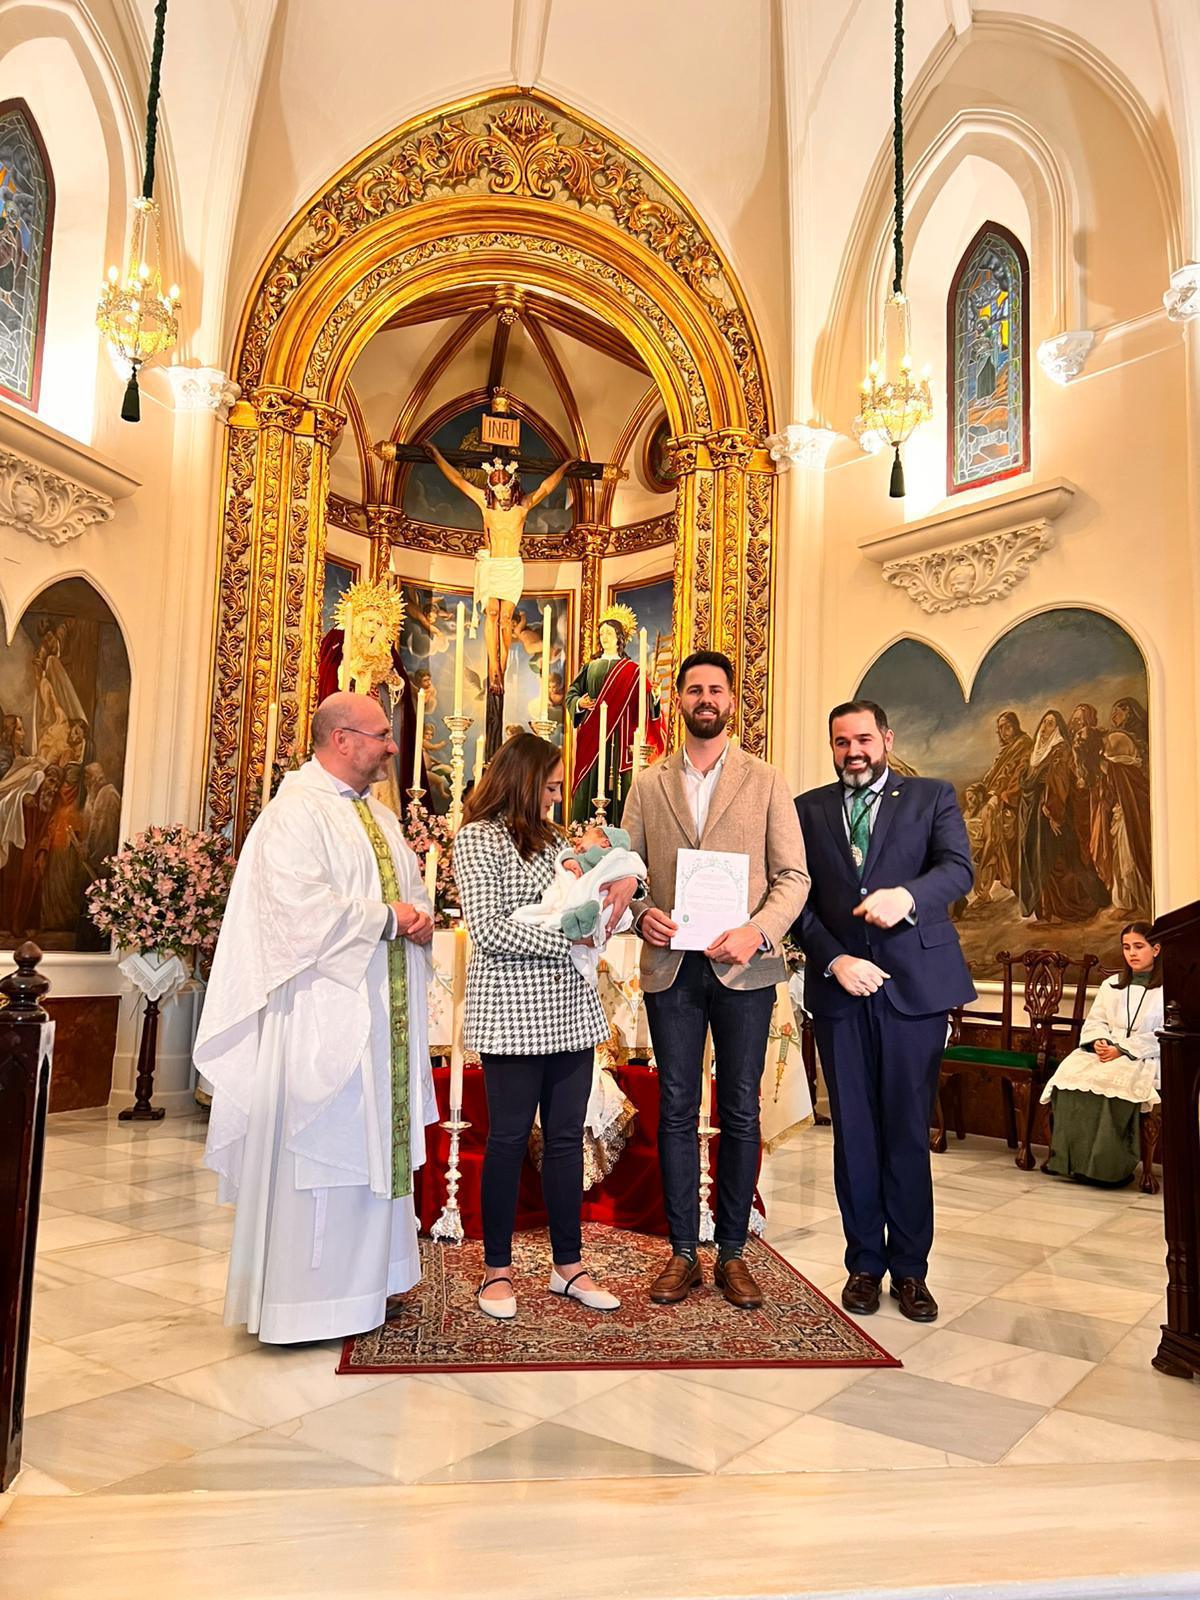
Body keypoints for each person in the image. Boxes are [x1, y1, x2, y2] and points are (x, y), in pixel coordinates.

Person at [196, 691, 437, 1344]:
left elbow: (412, 896)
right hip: (320, 1018)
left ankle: (370, 1287)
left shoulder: (377, 817)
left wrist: (419, 918)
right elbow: (295, 909)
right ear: (341, 739)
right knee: (326, 1150)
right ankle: (311, 1304)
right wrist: (389, 918)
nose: (392, 746)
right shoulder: (295, 813)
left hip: (380, 1018)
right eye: (382, 735)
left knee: (373, 1149)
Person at [623, 651, 810, 1310]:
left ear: (732, 701)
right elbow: (627, 871)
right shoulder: (648, 783)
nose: (705, 698)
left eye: (716, 689)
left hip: (744, 967)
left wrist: (757, 931)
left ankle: (732, 1252)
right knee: (676, 1107)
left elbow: (794, 876)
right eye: (694, 689)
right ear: (677, 700)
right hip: (672, 966)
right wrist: (641, 912)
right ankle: (682, 1252)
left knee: (739, 1109)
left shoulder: (766, 780)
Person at [792, 700, 975, 1323]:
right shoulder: (808, 810)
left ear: (887, 739)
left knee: (905, 1131)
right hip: (842, 991)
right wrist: (834, 960)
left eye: (864, 739)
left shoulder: (930, 796)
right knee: (854, 1135)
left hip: (914, 990)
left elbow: (958, 870)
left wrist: (908, 896)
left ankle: (912, 1270)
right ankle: (865, 1265)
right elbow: (797, 898)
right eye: (841, 742)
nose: (854, 752)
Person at [452, 732, 637, 1320]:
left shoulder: (559, 841)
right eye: (552, 787)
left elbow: (595, 895)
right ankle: (497, 1271)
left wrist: (620, 893)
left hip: (570, 1011)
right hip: (511, 1014)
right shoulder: (477, 839)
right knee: (508, 1141)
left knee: (564, 1141)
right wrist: (572, 940)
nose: (559, 798)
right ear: (525, 781)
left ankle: (568, 1266)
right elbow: (489, 930)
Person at [424, 445, 574, 695]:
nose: (503, 497)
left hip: (512, 566)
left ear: (513, 487)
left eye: (506, 491)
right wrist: (438, 457)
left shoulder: (523, 506)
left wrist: (565, 467)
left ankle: (500, 673)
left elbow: (546, 487)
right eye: (498, 491)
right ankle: (493, 669)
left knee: (506, 619)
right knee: (492, 613)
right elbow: (459, 481)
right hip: (492, 564)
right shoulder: (486, 505)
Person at [1040, 921, 1162, 1185]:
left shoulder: (1168, 988)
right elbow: (1095, 1020)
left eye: (1139, 946)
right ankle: (1069, 1163)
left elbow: (1163, 1033)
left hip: (1142, 1056)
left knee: (1111, 1087)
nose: (1132, 953)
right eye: (1126, 947)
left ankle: (1107, 1170)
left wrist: (1122, 1050)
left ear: (1156, 949)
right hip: (1105, 1050)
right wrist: (1099, 1041)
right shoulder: (1111, 985)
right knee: (1069, 1078)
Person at [513, 823, 647, 983]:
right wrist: (568, 860)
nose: (578, 840)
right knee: (567, 898)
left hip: (602, 899)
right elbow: (564, 855)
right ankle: (576, 922)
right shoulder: (578, 854)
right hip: (583, 895)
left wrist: (630, 880)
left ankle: (586, 923)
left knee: (608, 910)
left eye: (585, 837)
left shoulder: (617, 856)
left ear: (605, 842)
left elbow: (636, 869)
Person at [565, 612, 663, 825]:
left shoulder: (632, 671)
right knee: (589, 779)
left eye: (609, 633)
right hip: (592, 734)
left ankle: (620, 829)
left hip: (620, 737)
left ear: (619, 637)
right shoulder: (590, 667)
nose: (604, 637)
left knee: (619, 785)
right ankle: (582, 828)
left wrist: (654, 696)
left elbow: (643, 702)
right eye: (601, 633)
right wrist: (579, 703)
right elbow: (572, 693)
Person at [1018, 709, 1110, 923]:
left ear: (1058, 728)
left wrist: (1053, 813)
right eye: (1044, 722)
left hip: (1052, 812)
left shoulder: (1060, 750)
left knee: (1057, 860)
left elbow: (1060, 783)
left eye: (1050, 723)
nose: (1045, 727)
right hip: (1034, 814)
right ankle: (1046, 909)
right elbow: (1026, 781)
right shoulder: (1034, 752)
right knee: (1038, 858)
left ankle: (1067, 908)